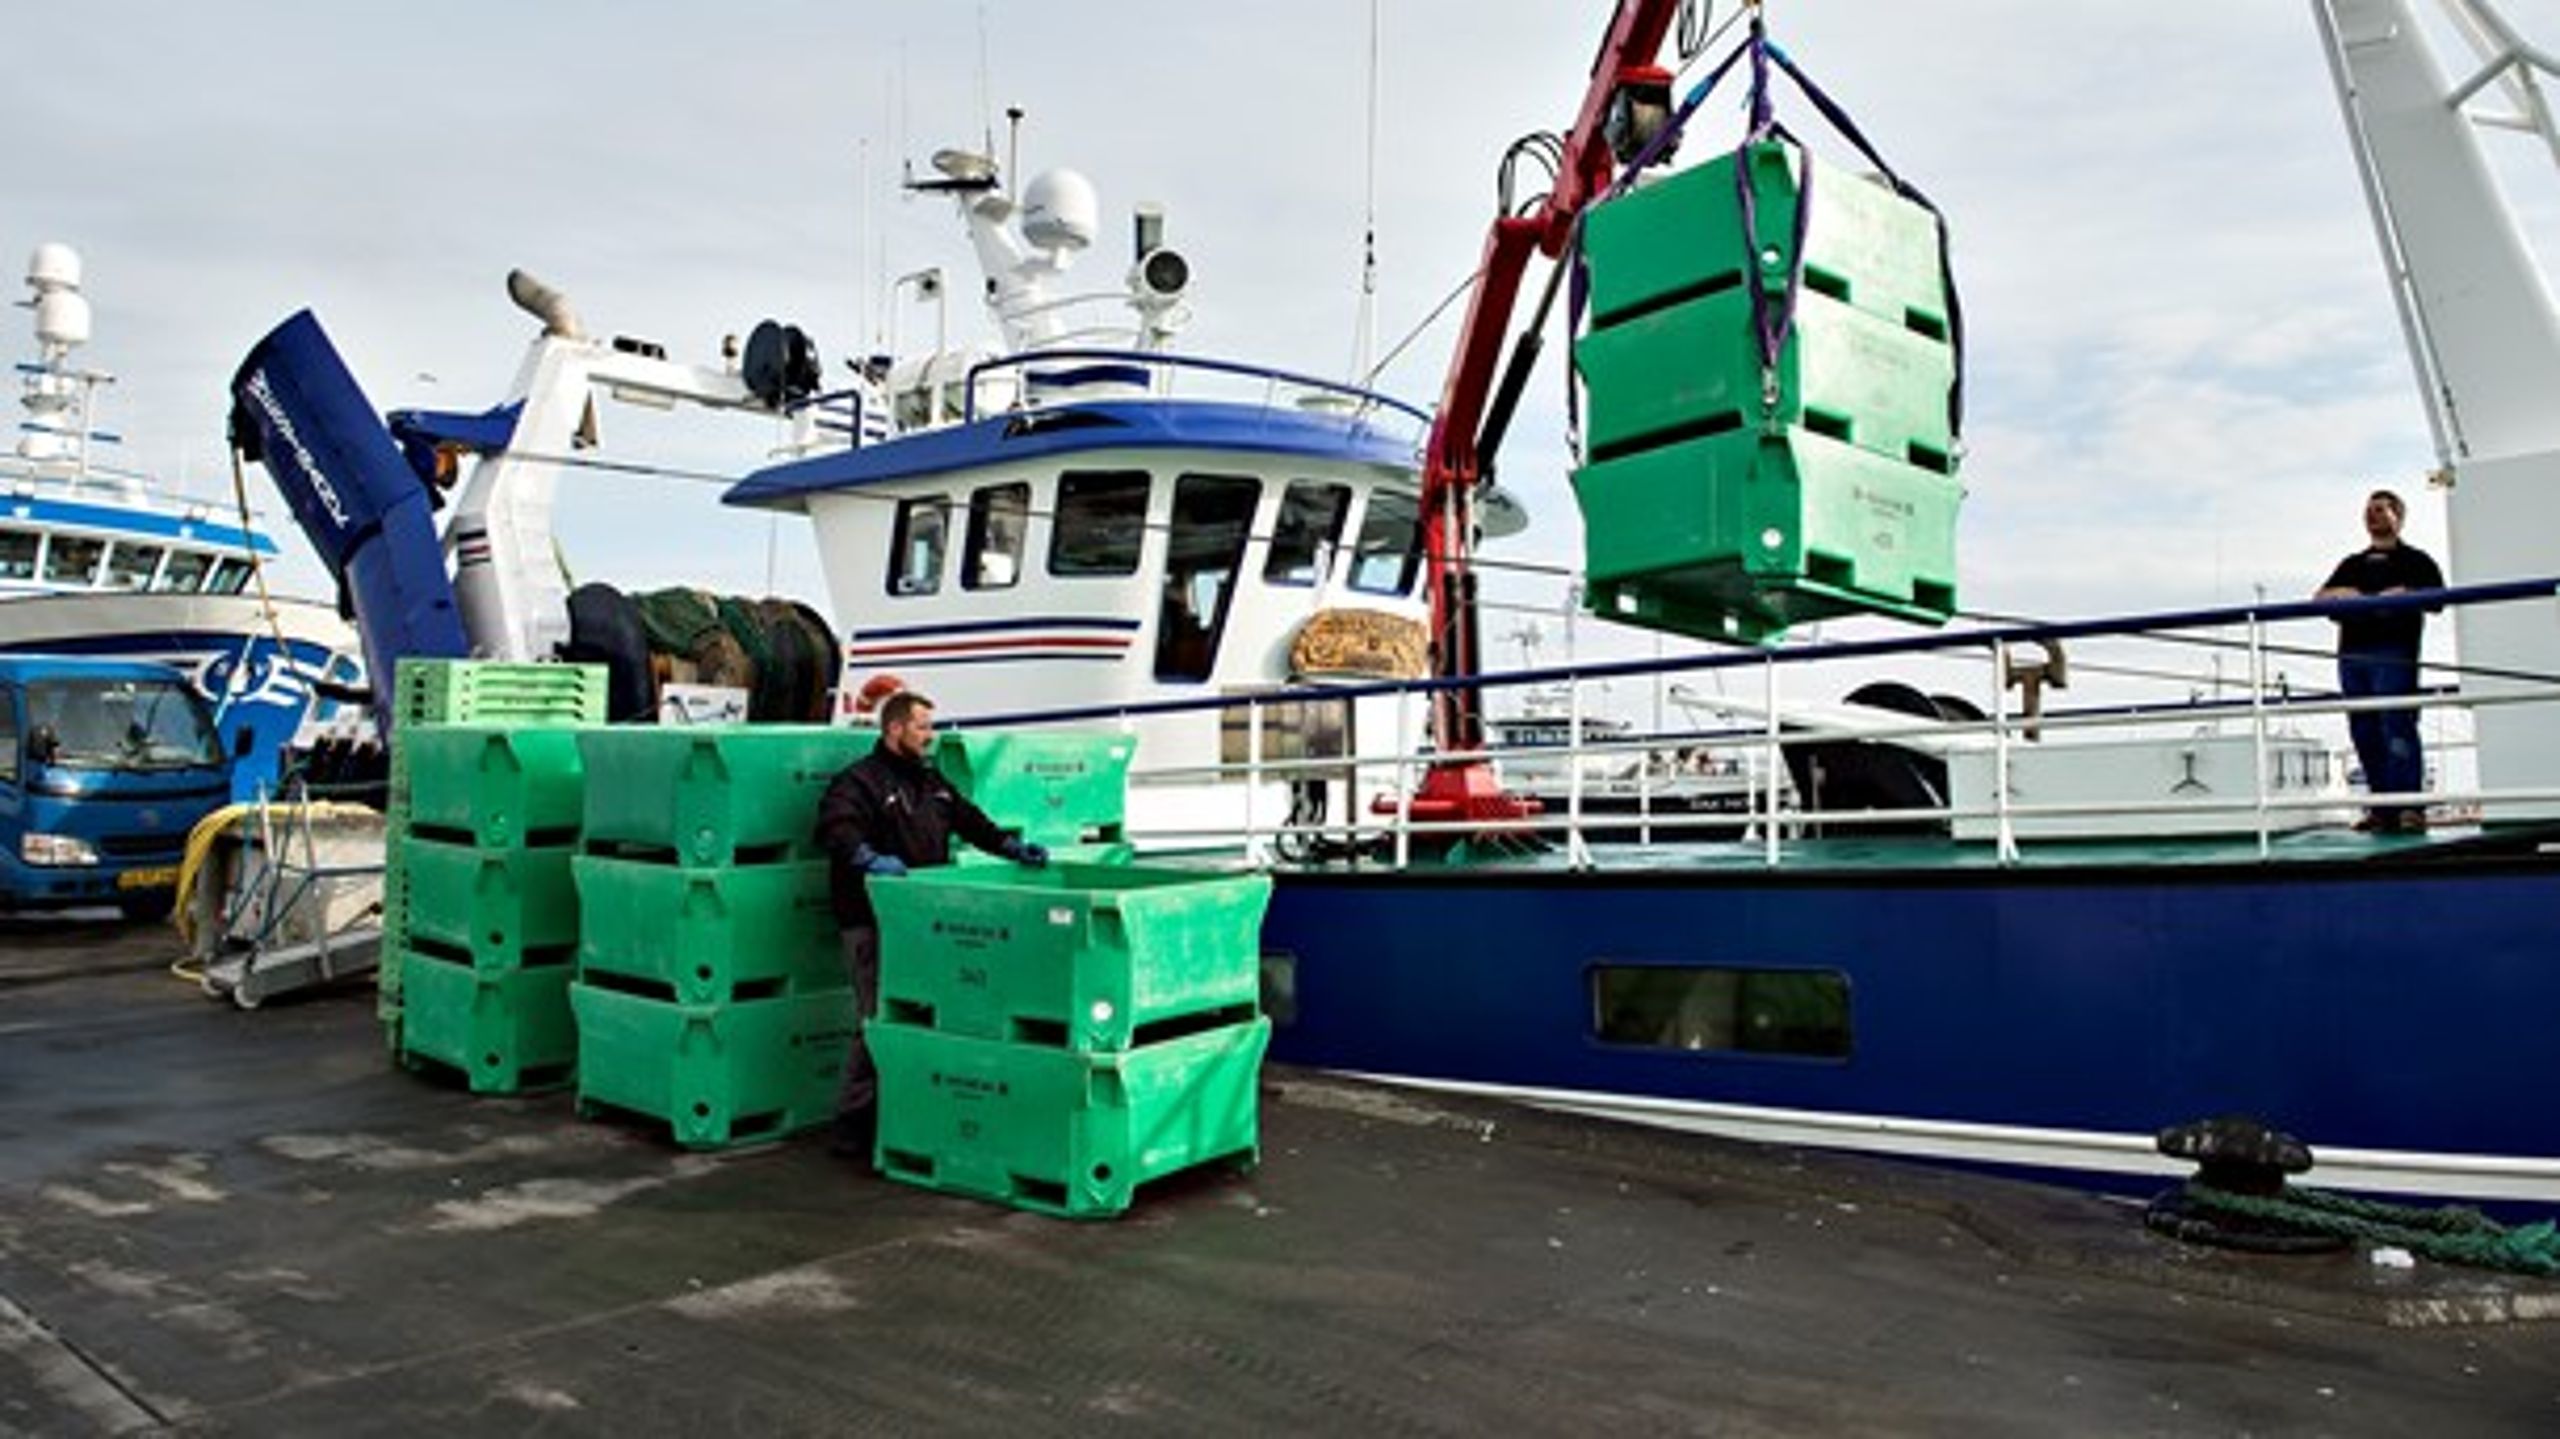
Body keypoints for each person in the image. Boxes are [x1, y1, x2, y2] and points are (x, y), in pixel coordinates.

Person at [813, 690, 1047, 1158]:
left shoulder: (932, 783)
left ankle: (908, 1115)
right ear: (894, 729)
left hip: (924, 923)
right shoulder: (859, 782)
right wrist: (867, 858)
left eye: (930, 726)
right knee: (876, 1019)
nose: (929, 735)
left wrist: (1012, 847)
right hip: (871, 921)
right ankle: (852, 1125)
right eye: (921, 726)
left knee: (919, 1019)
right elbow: (835, 828)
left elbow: (973, 823)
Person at [2314, 488, 2444, 833]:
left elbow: (2438, 598)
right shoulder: (2351, 564)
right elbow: (2319, 598)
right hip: (2353, 656)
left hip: (2394, 654)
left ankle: (2410, 808)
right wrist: (2345, 594)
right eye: (2369, 509)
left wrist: (2405, 594)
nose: (2373, 514)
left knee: (2396, 725)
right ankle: (2382, 809)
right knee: (2364, 730)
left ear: (2398, 518)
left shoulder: (2416, 561)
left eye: (2382, 509)